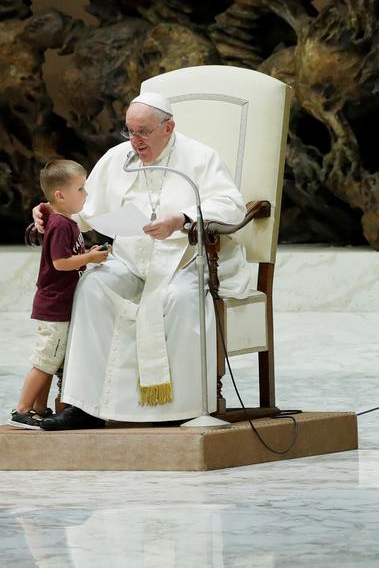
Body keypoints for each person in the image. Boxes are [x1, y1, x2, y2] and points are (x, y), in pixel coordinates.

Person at [32, 92, 252, 430]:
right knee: (92, 286)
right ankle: (85, 407)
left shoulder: (200, 158)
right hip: (131, 260)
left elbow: (231, 205)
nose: (135, 142)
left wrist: (180, 219)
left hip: (184, 260)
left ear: (169, 127)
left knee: (180, 299)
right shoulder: (118, 158)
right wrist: (50, 214)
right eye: (129, 132)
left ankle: (184, 408)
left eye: (143, 133)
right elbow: (83, 211)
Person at [7, 160, 108, 429]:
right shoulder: (61, 224)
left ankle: (39, 409)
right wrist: (89, 257)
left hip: (59, 303)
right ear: (61, 196)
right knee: (44, 360)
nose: (86, 194)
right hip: (54, 304)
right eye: (81, 189)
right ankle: (22, 409)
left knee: (51, 360)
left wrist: (87, 252)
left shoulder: (67, 221)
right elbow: (61, 262)